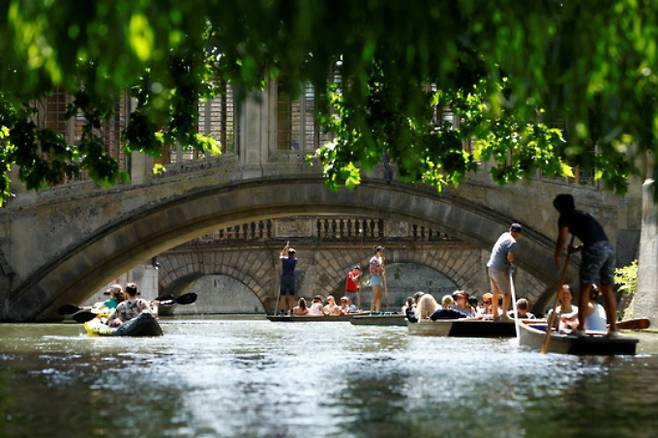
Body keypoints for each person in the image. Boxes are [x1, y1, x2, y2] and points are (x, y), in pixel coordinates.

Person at [553, 193, 618, 337]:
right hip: (608, 248)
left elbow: (562, 238)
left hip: (594, 249)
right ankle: (613, 329)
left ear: (559, 208)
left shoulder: (564, 217)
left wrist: (557, 255)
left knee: (585, 288)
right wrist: (575, 249)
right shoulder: (584, 216)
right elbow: (594, 238)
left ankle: (581, 328)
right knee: (607, 289)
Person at [486, 223, 523, 320]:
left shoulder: (504, 235)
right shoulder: (513, 242)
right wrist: (512, 261)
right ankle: (504, 315)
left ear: (510, 229)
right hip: (499, 269)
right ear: (519, 234)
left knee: (495, 292)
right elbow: (510, 258)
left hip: (491, 267)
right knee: (507, 293)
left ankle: (495, 314)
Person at [278, 242, 297, 315]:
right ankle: (291, 310)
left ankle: (282, 310)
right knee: (291, 295)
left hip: (284, 277)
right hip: (291, 278)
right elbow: (288, 256)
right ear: (294, 254)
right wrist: (287, 250)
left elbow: (281, 255)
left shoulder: (284, 259)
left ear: (288, 254)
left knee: (283, 295)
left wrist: (285, 248)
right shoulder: (295, 260)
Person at [369, 246, 386, 312]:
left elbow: (381, 269)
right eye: (381, 252)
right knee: (375, 295)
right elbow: (377, 269)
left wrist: (382, 271)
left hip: (379, 278)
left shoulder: (379, 259)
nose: (382, 253)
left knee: (379, 296)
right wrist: (381, 263)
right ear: (378, 252)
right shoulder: (374, 259)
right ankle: (372, 311)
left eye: (383, 252)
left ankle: (377, 311)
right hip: (375, 278)